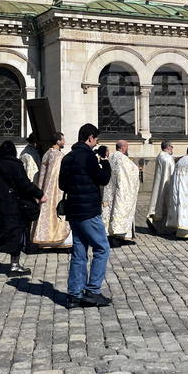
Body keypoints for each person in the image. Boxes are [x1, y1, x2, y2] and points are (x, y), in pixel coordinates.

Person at [60, 124, 114, 308]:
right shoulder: (88, 157)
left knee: (79, 251)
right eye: (96, 139)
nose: (96, 142)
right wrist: (104, 161)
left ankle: (74, 294)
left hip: (73, 211)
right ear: (90, 137)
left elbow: (62, 184)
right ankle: (92, 290)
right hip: (88, 210)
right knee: (102, 248)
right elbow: (103, 179)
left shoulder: (67, 157)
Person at [0, 141, 44, 276]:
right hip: (13, 206)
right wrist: (39, 194)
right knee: (17, 233)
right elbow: (24, 184)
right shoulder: (14, 165)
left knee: (0, 231)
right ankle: (13, 264)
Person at [33, 133, 72, 249]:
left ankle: (44, 241)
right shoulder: (57, 156)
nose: (64, 142)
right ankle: (58, 241)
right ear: (58, 141)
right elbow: (57, 176)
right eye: (63, 139)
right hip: (56, 192)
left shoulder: (47, 153)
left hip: (45, 190)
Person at [102, 140, 140, 246]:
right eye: (127, 147)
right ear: (123, 149)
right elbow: (133, 171)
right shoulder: (124, 159)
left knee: (110, 212)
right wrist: (137, 169)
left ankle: (111, 235)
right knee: (120, 210)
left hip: (110, 191)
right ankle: (120, 236)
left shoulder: (111, 158)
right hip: (121, 191)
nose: (128, 149)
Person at [146, 141, 175, 233]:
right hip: (167, 185)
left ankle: (156, 224)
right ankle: (167, 227)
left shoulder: (160, 156)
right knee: (167, 204)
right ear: (168, 147)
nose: (172, 148)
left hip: (159, 184)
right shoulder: (168, 158)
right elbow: (172, 172)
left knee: (159, 203)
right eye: (171, 147)